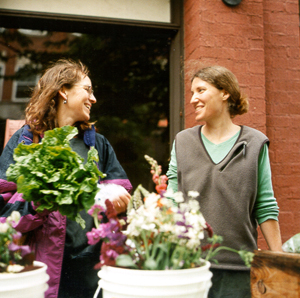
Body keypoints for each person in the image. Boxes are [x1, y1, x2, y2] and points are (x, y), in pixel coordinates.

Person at [0, 59, 132, 298]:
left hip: (89, 269)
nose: (93, 99)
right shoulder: (25, 141)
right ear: (63, 91)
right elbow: (4, 216)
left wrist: (117, 202)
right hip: (39, 269)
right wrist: (38, 200)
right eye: (87, 90)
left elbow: (120, 191)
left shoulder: (97, 144)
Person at [166, 65, 282, 297]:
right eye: (191, 92)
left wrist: (280, 263)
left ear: (224, 92)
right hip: (190, 268)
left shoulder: (255, 142)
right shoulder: (183, 142)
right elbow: (171, 200)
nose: (192, 99)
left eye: (200, 90)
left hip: (240, 270)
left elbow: (265, 205)